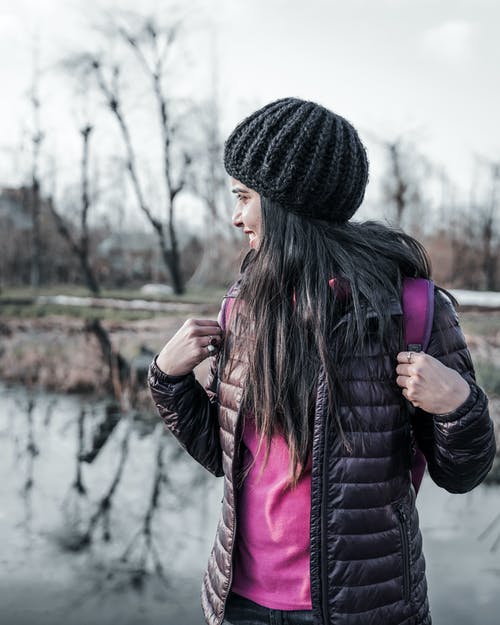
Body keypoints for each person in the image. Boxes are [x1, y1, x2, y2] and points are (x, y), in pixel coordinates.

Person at [147, 97, 496, 625]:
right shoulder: (243, 309)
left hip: (365, 607)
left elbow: (463, 473)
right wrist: (169, 381)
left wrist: (460, 407)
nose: (235, 216)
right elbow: (229, 461)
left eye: (244, 197)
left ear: (289, 203)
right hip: (238, 604)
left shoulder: (413, 310)